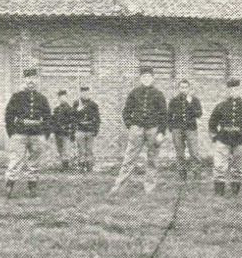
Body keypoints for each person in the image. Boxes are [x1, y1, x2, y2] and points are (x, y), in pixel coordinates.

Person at [109, 67, 168, 196]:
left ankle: (149, 188)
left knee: (152, 159)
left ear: (153, 78)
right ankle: (119, 186)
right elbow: (126, 112)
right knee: (129, 158)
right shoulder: (134, 93)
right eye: (144, 77)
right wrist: (131, 126)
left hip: (153, 129)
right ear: (140, 78)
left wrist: (161, 132)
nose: (146, 79)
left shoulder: (158, 94)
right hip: (137, 129)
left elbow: (164, 115)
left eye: (149, 77)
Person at [206, 78, 242, 196]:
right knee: (219, 167)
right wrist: (215, 137)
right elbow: (212, 123)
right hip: (223, 140)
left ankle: (235, 194)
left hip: (240, 141)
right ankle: (219, 194)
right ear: (227, 91)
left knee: (238, 168)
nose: (233, 91)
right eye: (231, 89)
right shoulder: (221, 106)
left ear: (239, 90)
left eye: (236, 89)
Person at [3, 67, 52, 195]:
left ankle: (32, 186)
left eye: (34, 79)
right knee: (15, 160)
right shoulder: (17, 97)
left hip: (37, 134)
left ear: (37, 81)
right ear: (24, 80)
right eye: (29, 78)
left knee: (34, 161)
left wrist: (45, 135)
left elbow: (47, 117)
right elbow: (9, 115)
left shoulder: (42, 98)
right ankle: (9, 185)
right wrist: (12, 132)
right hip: (20, 133)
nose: (31, 81)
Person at [166, 78, 204, 181]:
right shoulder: (174, 100)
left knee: (194, 152)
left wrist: (190, 103)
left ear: (189, 88)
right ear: (178, 88)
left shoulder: (194, 100)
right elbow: (169, 115)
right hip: (177, 129)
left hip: (191, 129)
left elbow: (199, 114)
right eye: (181, 87)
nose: (183, 89)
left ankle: (197, 175)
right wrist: (171, 129)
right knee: (180, 153)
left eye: (185, 87)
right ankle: (182, 176)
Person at [73, 85, 101, 172]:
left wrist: (95, 130)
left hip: (90, 130)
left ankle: (89, 168)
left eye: (87, 93)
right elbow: (72, 117)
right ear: (80, 93)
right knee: (81, 149)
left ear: (89, 93)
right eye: (83, 93)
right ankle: (81, 167)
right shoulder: (76, 104)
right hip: (80, 130)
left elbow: (97, 118)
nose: (85, 94)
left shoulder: (93, 105)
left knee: (89, 149)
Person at [52, 90, 77, 171]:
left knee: (66, 150)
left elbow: (73, 122)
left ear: (66, 98)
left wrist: (71, 132)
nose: (62, 99)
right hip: (57, 133)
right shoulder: (56, 109)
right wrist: (53, 130)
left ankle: (66, 167)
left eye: (64, 97)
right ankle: (63, 165)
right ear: (58, 98)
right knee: (60, 150)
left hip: (66, 133)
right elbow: (53, 121)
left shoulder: (70, 109)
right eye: (60, 98)